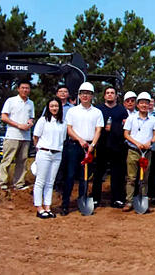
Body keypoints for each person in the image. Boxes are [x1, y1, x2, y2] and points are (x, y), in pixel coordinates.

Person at [61, 82, 103, 215]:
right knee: (70, 175)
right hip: (74, 147)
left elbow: (98, 130)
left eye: (88, 94)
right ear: (79, 95)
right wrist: (80, 140)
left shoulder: (97, 112)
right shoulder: (72, 111)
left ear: (92, 96)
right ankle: (65, 204)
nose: (85, 96)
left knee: (84, 176)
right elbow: (69, 129)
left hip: (89, 148)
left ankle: (82, 200)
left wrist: (92, 145)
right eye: (82, 93)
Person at [123, 92, 155, 212]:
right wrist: (136, 143)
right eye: (141, 102)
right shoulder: (131, 118)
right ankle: (129, 201)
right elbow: (126, 134)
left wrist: (150, 142)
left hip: (147, 152)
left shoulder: (153, 119)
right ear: (137, 105)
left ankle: (143, 200)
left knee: (144, 178)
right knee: (131, 178)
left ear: (149, 105)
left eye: (146, 103)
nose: (144, 105)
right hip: (133, 151)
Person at [95, 86, 130, 208]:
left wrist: (113, 128)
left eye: (112, 93)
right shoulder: (98, 109)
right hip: (101, 145)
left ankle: (117, 199)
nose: (110, 95)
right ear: (104, 96)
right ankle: (95, 199)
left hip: (117, 146)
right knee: (99, 173)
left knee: (118, 174)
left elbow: (125, 128)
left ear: (116, 96)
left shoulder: (122, 110)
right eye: (107, 93)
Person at [32, 98, 67, 218]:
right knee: (40, 181)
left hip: (57, 154)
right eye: (51, 106)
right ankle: (39, 208)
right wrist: (39, 149)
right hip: (44, 153)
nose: (54, 108)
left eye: (56, 106)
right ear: (48, 107)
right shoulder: (43, 120)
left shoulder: (63, 122)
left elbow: (62, 139)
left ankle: (48, 207)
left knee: (50, 182)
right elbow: (36, 137)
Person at [0, 80, 34, 190]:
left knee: (22, 161)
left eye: (27, 88)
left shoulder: (31, 103)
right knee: (7, 160)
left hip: (26, 137)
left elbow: (31, 117)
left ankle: (18, 184)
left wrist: (29, 123)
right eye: (23, 87)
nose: (25, 90)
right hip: (12, 136)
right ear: (18, 89)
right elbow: (4, 117)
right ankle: (3, 183)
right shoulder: (11, 101)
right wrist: (19, 125)